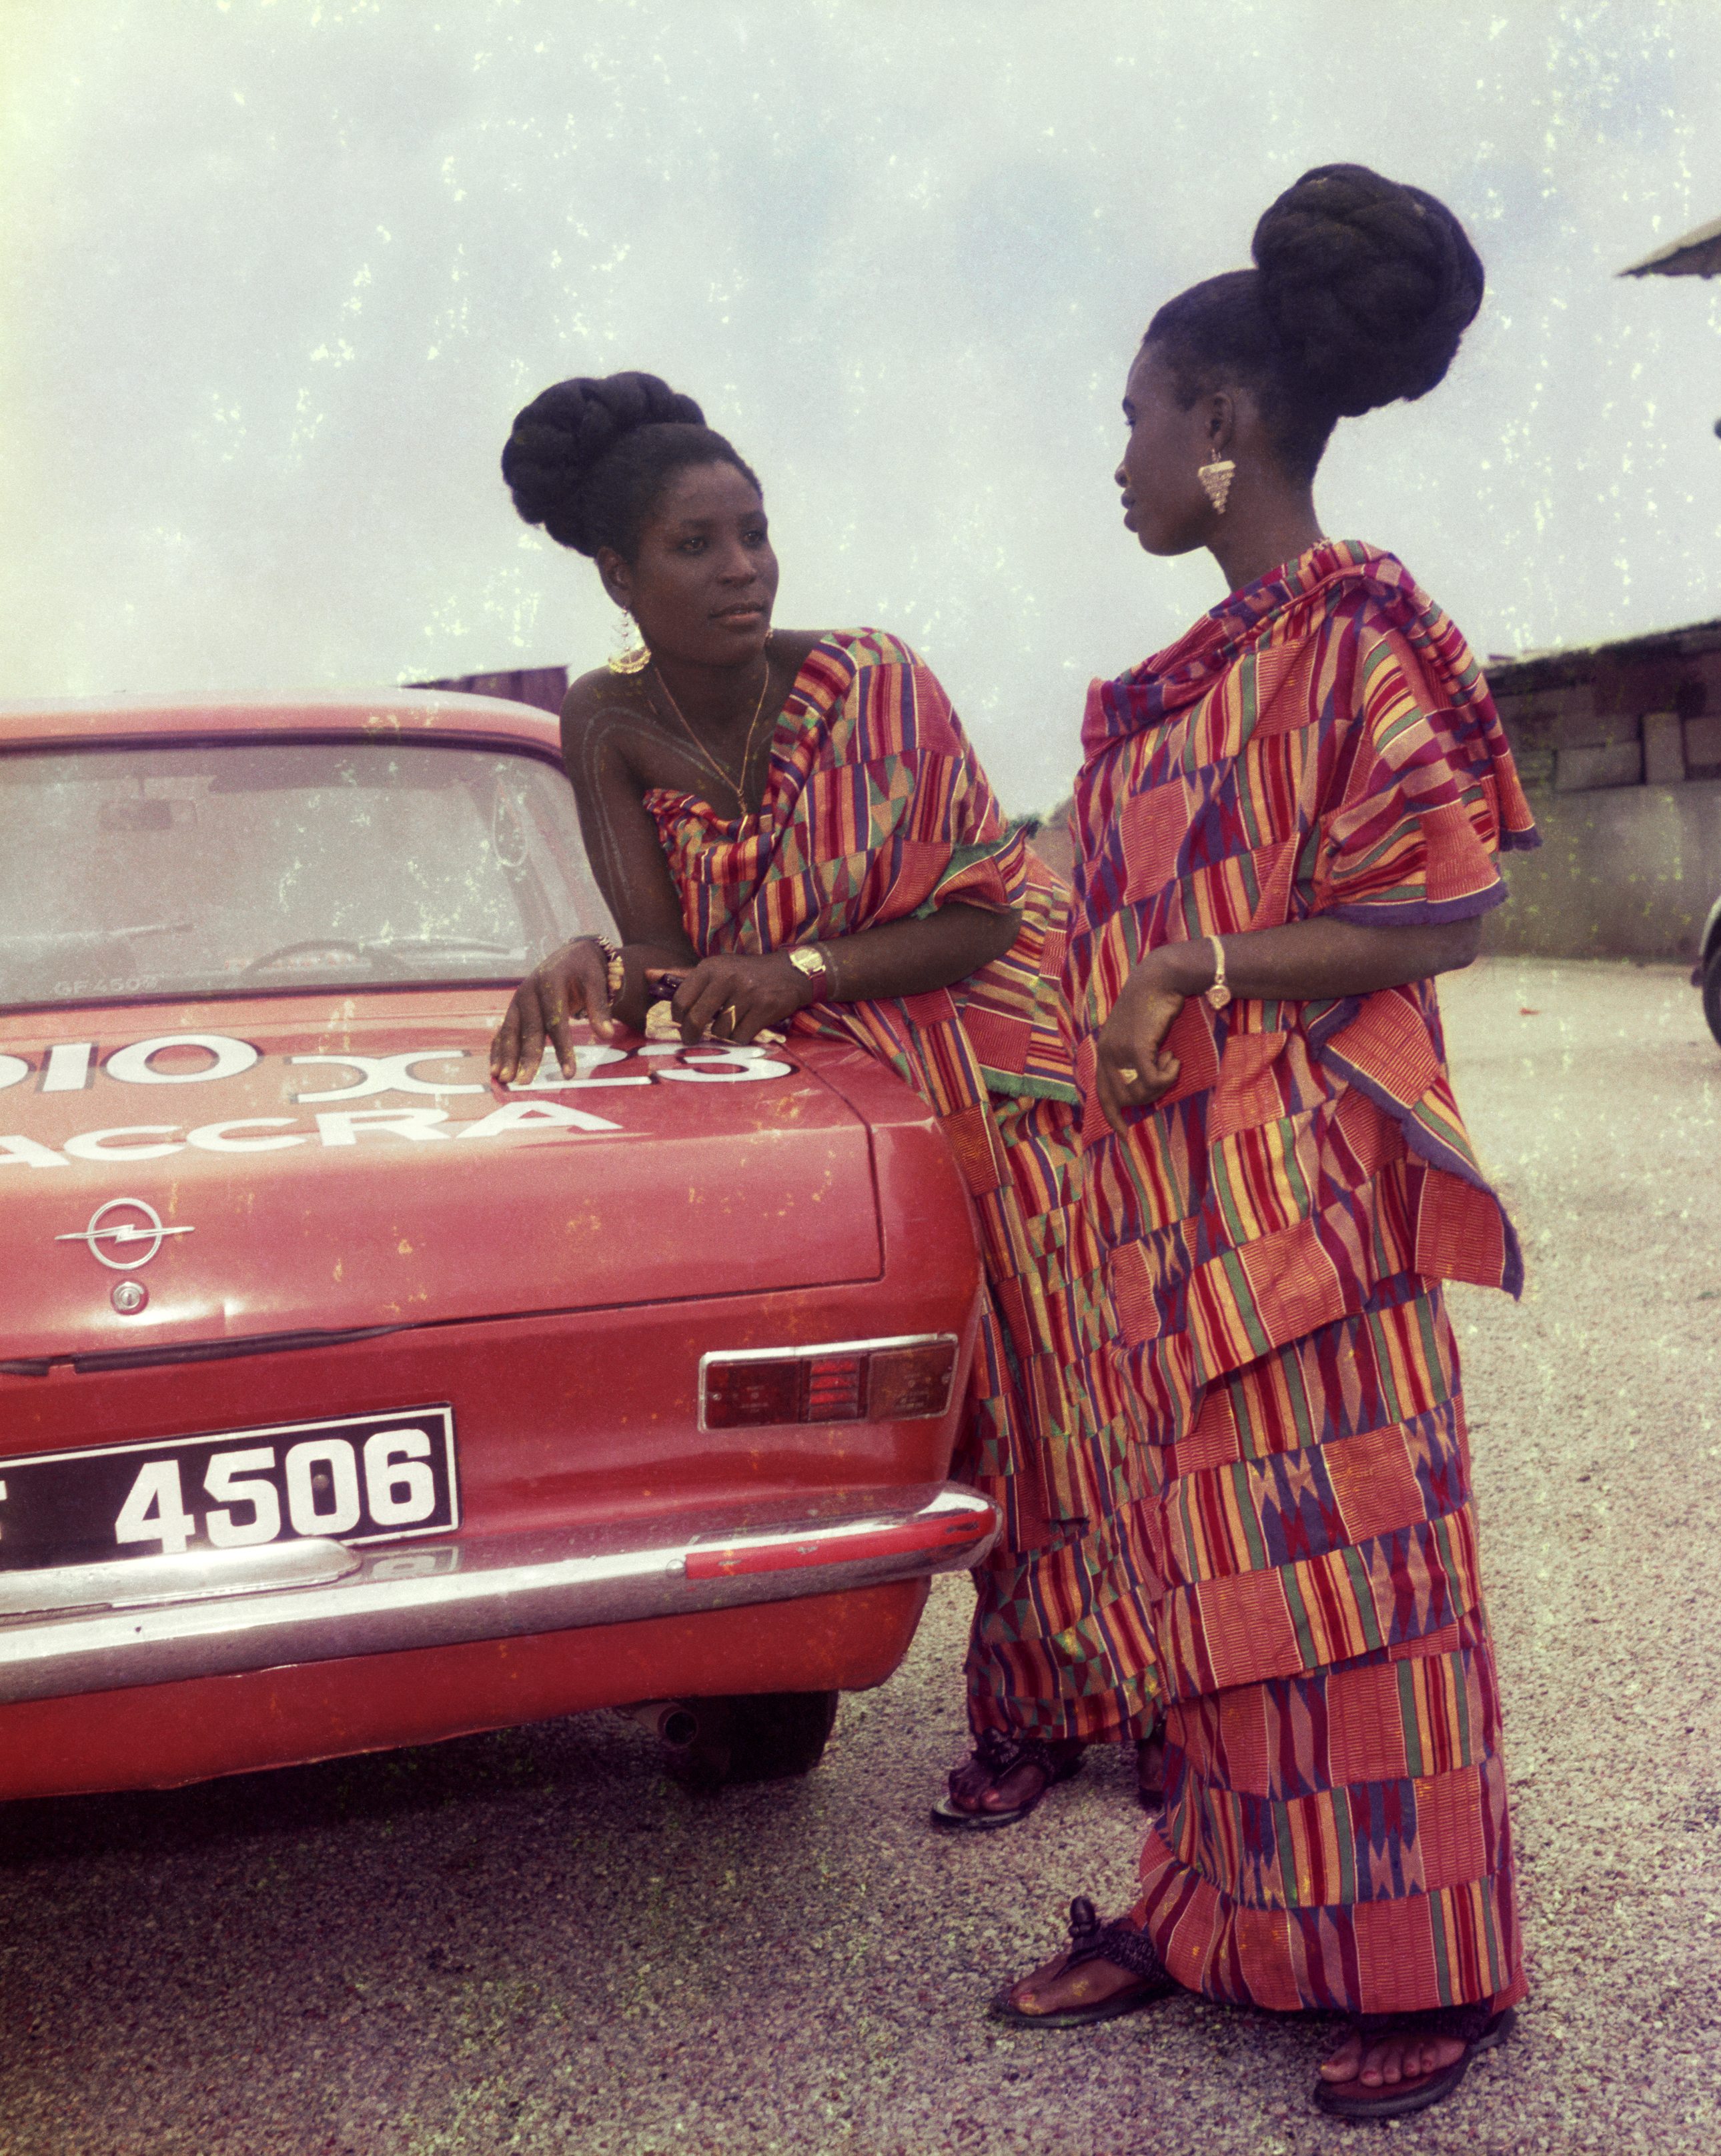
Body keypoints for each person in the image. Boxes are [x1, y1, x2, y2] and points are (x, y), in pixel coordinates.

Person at [993, 167, 1539, 2122]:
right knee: (1201, 1567)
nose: (1117, 455)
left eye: (1134, 414)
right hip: (1165, 1212)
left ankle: (1423, 1966)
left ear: (1220, 428)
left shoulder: (1348, 633)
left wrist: (1197, 966)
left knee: (1356, 1574)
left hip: (1308, 1203)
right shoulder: (1192, 670)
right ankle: (1218, 1915)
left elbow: (1444, 900)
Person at [486, 372, 1152, 1817]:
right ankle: (1032, 1701)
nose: (742, 569)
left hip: (991, 1054)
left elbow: (985, 915)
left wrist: (800, 964)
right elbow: (665, 960)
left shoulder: (876, 682)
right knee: (922, 1393)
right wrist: (590, 962)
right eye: (695, 546)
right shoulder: (600, 719)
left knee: (1062, 1377)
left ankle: (1102, 1695)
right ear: (616, 573)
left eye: (755, 533)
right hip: (819, 1087)